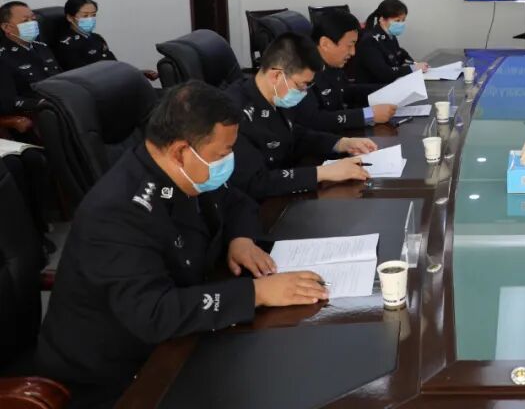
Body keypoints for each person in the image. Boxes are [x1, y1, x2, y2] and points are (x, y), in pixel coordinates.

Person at [36, 82, 330, 408]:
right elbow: (154, 313)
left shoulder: (187, 171)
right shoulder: (117, 212)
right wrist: (256, 294)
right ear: (180, 151)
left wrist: (241, 239)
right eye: (223, 154)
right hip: (117, 376)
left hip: (180, 336)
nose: (230, 161)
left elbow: (237, 202)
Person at [225, 32, 377, 200]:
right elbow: (256, 182)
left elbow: (294, 135)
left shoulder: (276, 96)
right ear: (276, 75)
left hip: (288, 188)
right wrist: (321, 173)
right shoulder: (233, 114)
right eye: (302, 85)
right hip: (263, 204)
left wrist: (341, 143)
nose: (304, 92)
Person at [290, 10, 397, 131]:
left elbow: (346, 91)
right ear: (325, 44)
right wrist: (367, 115)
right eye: (349, 45)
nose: (353, 52)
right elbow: (314, 120)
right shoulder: (302, 72)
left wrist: (389, 89)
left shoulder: (332, 64)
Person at [0, 0, 61, 112]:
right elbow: (8, 101)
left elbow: (59, 76)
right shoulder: (3, 57)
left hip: (60, 99)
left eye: (33, 19)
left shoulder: (41, 46)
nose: (32, 23)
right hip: (39, 111)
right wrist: (40, 104)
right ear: (6, 27)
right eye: (25, 21)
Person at [355, 0, 428, 85]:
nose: (401, 24)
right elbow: (385, 73)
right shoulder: (369, 41)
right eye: (397, 21)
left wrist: (413, 64)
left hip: (390, 84)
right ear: (382, 19)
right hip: (374, 88)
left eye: (403, 20)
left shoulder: (390, 35)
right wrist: (412, 68)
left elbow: (401, 55)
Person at [52, 0, 117, 71]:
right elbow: (80, 73)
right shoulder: (66, 45)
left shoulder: (97, 38)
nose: (90, 19)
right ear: (70, 18)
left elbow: (113, 63)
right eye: (85, 16)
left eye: (93, 15)